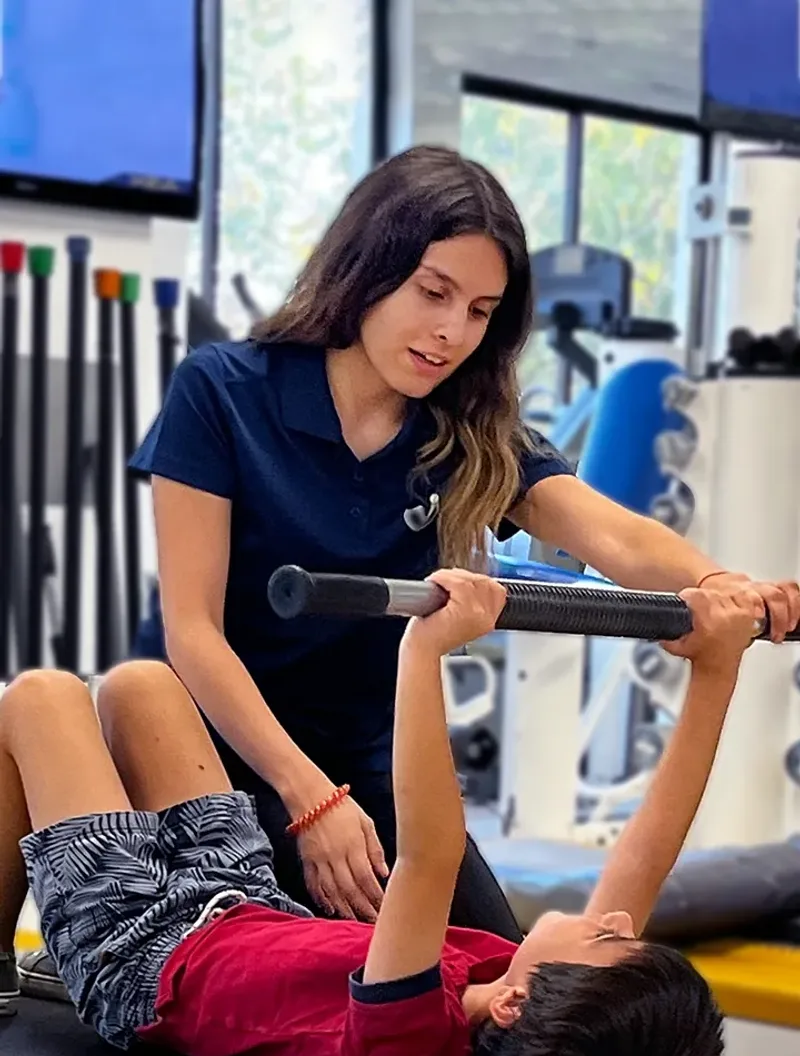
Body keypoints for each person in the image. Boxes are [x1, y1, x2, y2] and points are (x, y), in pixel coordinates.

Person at [107, 148, 800, 931]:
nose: (450, 332)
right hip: (211, 748)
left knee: (500, 985)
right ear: (368, 271)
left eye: (479, 312)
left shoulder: (463, 427)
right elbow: (192, 634)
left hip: (369, 759)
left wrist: (721, 585)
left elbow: (609, 531)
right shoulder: (223, 391)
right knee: (294, 988)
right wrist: (309, 799)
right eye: (433, 293)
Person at [0, 574, 753, 1056]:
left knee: (39, 699)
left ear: (523, 1005)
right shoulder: (512, 982)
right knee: (142, 687)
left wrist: (423, 652)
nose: (620, 921)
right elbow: (646, 856)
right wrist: (718, 671)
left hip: (138, 955)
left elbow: (430, 854)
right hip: (239, 898)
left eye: (612, 941)